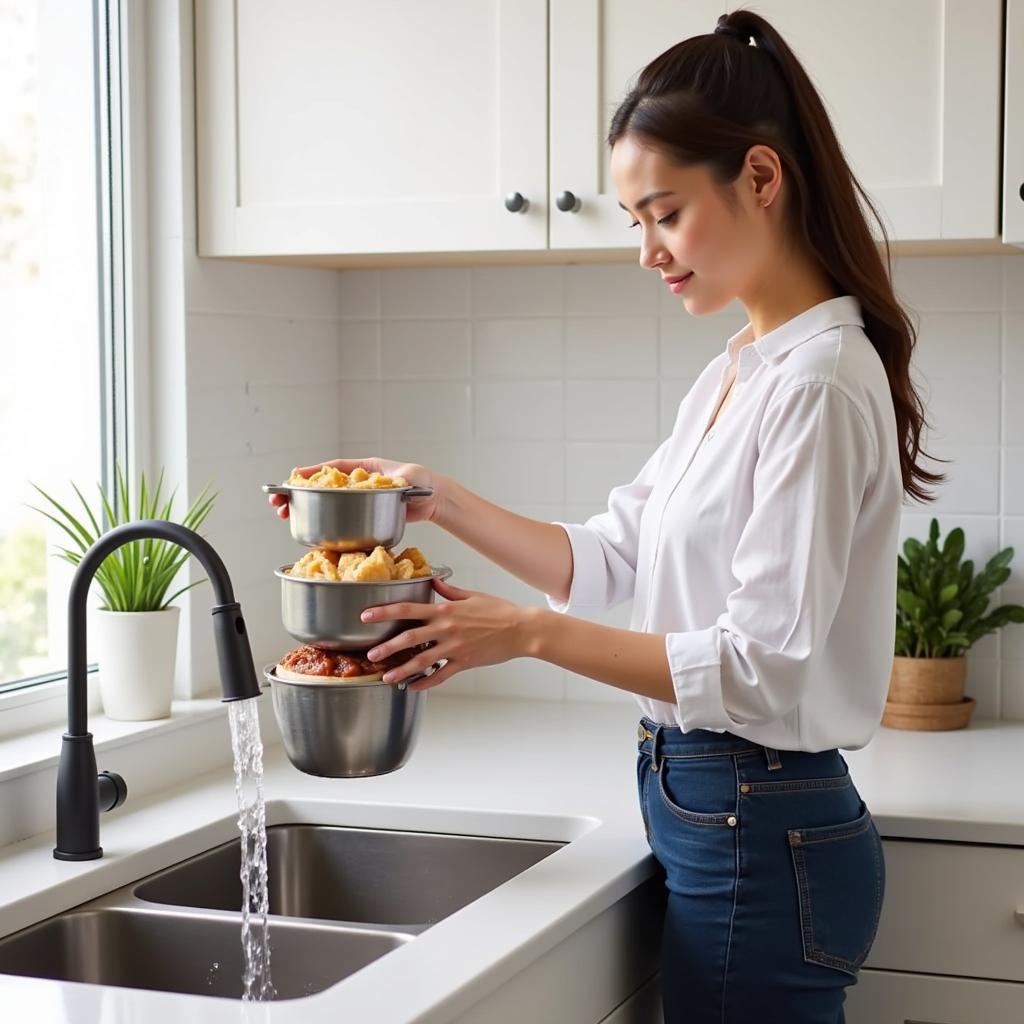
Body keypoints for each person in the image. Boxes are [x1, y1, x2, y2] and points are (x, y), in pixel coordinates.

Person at [269, 10, 944, 1022]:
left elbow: (765, 664)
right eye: (636, 220)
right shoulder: (741, 372)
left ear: (761, 178)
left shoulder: (814, 382)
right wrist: (435, 498)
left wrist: (528, 634)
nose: (646, 252)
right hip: (715, 809)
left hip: (755, 818)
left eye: (662, 214)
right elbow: (613, 559)